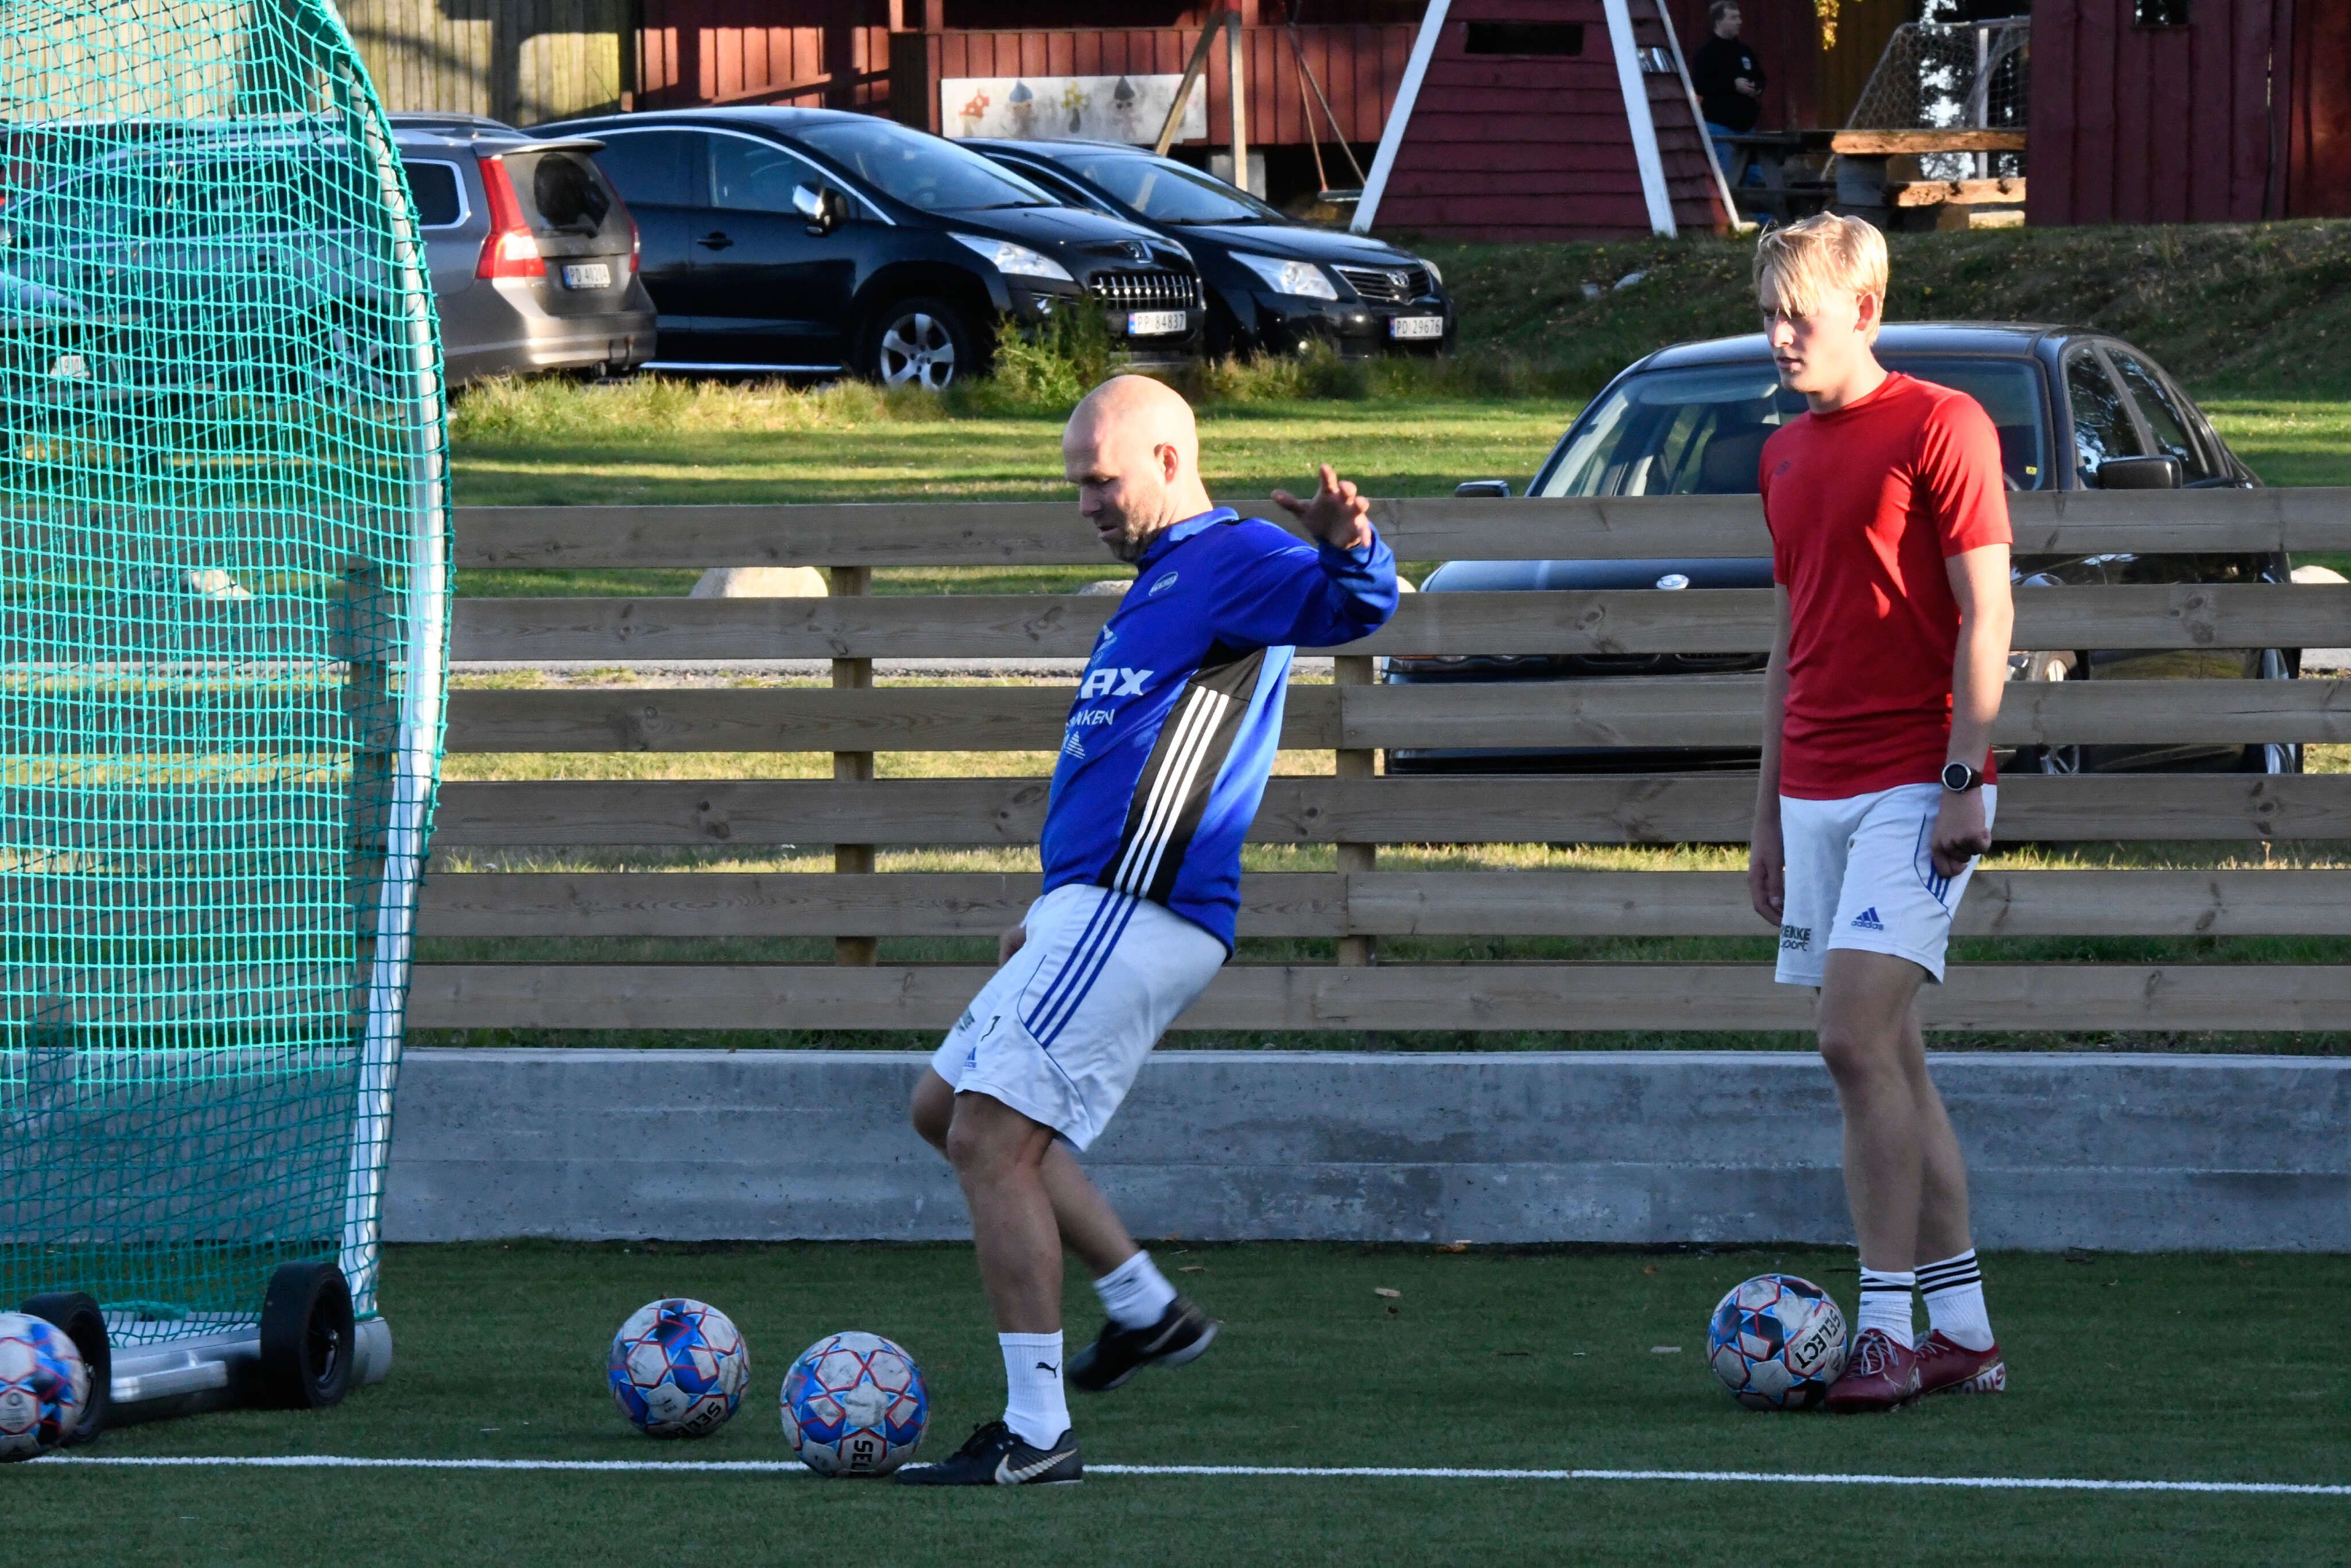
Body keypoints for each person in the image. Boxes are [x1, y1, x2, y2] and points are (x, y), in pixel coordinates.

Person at [899, 374, 1399, 1485]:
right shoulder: (1162, 578)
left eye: (1099, 480)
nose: (1084, 504)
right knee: (944, 1106)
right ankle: (1142, 1305)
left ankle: (1036, 1434)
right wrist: (1049, 915)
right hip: (1089, 907)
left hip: (1141, 904)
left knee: (991, 1139)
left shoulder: (1236, 557)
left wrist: (1351, 545)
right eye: (1075, 484)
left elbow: (1356, 606)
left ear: (1170, 462)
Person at [1744, 214, 2013, 1412]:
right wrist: (1763, 815)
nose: (1779, 336)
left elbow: (1987, 612)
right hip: (1811, 787)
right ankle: (1961, 1333)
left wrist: (1964, 774)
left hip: (1918, 779)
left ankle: (1887, 1334)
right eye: (1768, 315)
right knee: (1892, 1054)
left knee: (1849, 1040)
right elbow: (1788, 641)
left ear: (1862, 310)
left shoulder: (1943, 424)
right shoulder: (1780, 456)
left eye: (1796, 315)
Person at [1692, 0, 1767, 186]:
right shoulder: (1706, 54)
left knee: (1757, 179)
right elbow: (1700, 85)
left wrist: (1756, 87)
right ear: (1719, 22)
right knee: (1727, 180)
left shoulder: (1744, 52)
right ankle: (1726, 207)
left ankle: (1762, 208)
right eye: (1733, 18)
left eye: (1739, 17)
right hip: (1720, 128)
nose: (1739, 22)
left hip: (1747, 128)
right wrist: (1732, 85)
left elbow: (1760, 77)